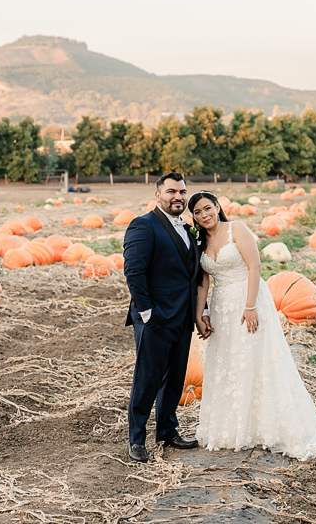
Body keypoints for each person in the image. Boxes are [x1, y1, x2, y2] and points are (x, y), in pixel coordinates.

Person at [189, 190, 316, 461]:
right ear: (193, 216)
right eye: (197, 212)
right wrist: (200, 314)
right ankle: (234, 428)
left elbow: (255, 267)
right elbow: (203, 281)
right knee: (229, 363)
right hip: (222, 307)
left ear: (217, 207)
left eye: (208, 208)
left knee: (256, 358)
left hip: (249, 298)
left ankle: (266, 426)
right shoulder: (200, 242)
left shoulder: (236, 230)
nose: (204, 215)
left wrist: (251, 306)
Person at [122, 173, 201, 462]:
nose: (178, 196)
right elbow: (134, 271)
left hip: (182, 316)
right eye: (171, 191)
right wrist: (146, 313)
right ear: (158, 195)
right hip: (154, 317)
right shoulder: (143, 225)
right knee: (148, 377)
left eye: (182, 191)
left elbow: (190, 275)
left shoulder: (188, 228)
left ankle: (167, 430)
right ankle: (137, 439)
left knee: (175, 378)